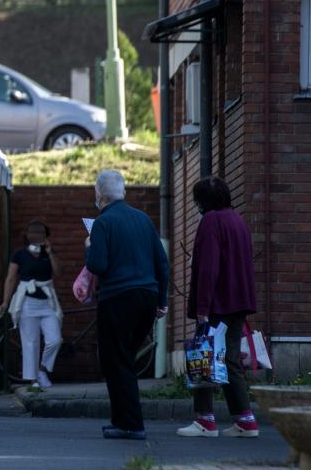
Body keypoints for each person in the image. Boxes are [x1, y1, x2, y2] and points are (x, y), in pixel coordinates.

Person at [84, 170, 170, 440]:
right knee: (125, 360)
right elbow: (162, 263)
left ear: (98, 194)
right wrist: (162, 300)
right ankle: (125, 421)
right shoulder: (144, 220)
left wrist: (89, 246)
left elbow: (98, 265)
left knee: (115, 361)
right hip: (147, 297)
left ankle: (130, 424)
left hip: (117, 298)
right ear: (124, 192)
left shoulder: (102, 223)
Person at [177, 176, 260, 439]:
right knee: (231, 360)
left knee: (205, 358)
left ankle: (205, 420)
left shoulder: (211, 222)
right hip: (238, 302)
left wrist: (203, 307)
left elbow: (208, 267)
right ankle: (245, 419)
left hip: (217, 303)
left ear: (203, 200)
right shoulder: (238, 221)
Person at [0, 220, 64, 389]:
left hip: (47, 302)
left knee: (54, 340)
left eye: (40, 233)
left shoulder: (48, 253)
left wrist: (50, 253)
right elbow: (11, 278)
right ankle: (32, 379)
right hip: (27, 302)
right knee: (30, 342)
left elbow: (58, 272)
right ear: (27, 235)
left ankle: (42, 369)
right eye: (33, 232)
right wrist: (6, 301)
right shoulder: (19, 254)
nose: (36, 236)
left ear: (45, 236)